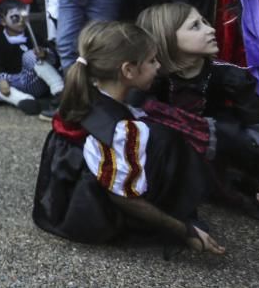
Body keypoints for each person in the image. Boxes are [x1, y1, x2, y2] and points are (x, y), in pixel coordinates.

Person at [33, 21, 222, 254]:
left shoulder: (87, 95)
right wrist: (182, 229)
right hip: (87, 218)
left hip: (58, 204)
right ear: (128, 70)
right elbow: (123, 197)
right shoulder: (122, 129)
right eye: (152, 61)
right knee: (167, 140)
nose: (158, 67)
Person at [137, 3, 259, 219]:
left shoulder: (228, 77)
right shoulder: (155, 80)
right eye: (196, 26)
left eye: (205, 22)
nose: (211, 30)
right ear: (167, 38)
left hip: (220, 155)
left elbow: (258, 128)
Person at [0, 0, 63, 115]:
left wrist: (45, 54)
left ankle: (60, 92)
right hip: (13, 83)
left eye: (24, 16)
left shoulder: (33, 36)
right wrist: (1, 79)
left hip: (35, 80)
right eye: (15, 17)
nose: (21, 21)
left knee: (30, 55)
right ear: (3, 21)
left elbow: (55, 59)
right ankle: (23, 100)